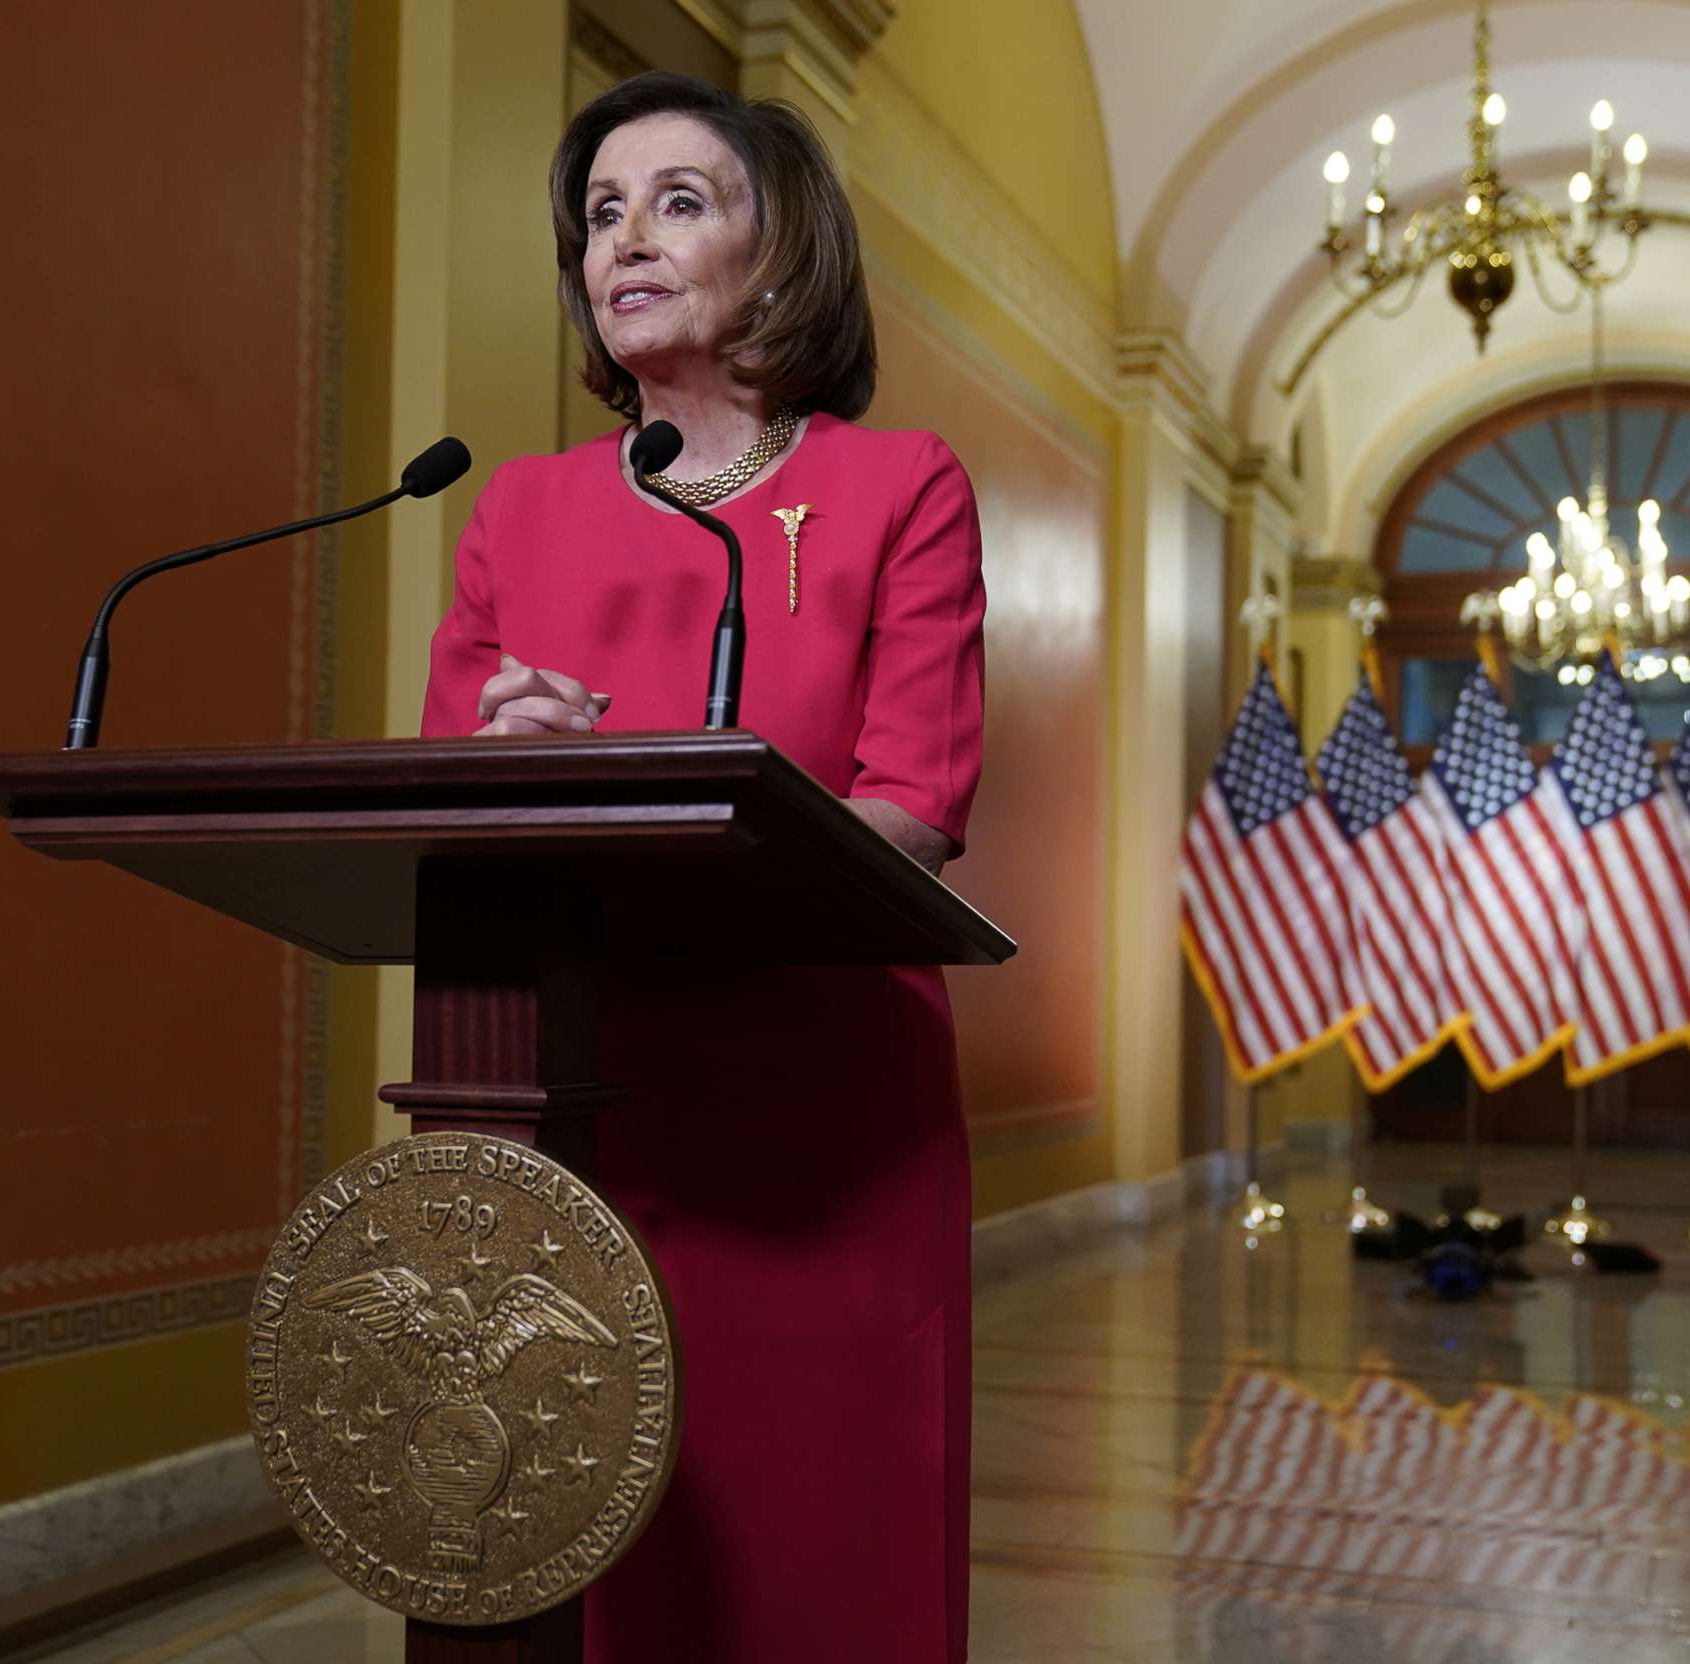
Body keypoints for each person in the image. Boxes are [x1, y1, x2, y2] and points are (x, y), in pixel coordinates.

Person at [421, 71, 985, 1663]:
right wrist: (509, 774)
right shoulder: (513, 512)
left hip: (826, 1111)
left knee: (824, 1542)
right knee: (596, 1532)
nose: (627, 241)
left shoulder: (896, 489)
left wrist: (664, 840)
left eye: (680, 201)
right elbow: (442, 802)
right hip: (582, 1101)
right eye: (603, 213)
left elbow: (915, 809)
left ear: (780, 248)